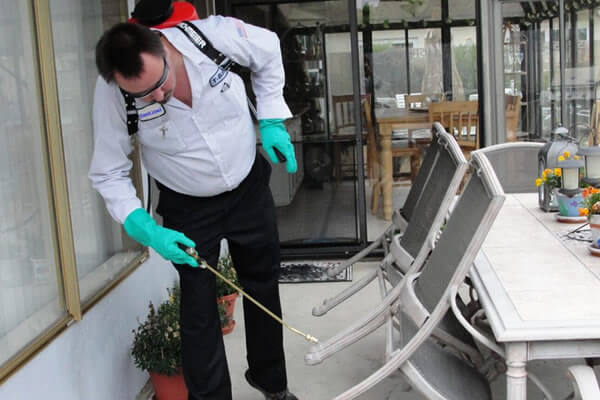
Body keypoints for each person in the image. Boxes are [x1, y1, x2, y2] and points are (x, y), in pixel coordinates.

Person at [89, 14, 298, 400]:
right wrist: (145, 228)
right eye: (143, 95)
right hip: (187, 207)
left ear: (163, 47)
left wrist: (271, 118)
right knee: (199, 309)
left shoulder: (212, 37)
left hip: (247, 187)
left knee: (263, 284)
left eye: (159, 83)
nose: (156, 97)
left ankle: (272, 383)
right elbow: (108, 172)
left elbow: (268, 48)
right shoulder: (113, 94)